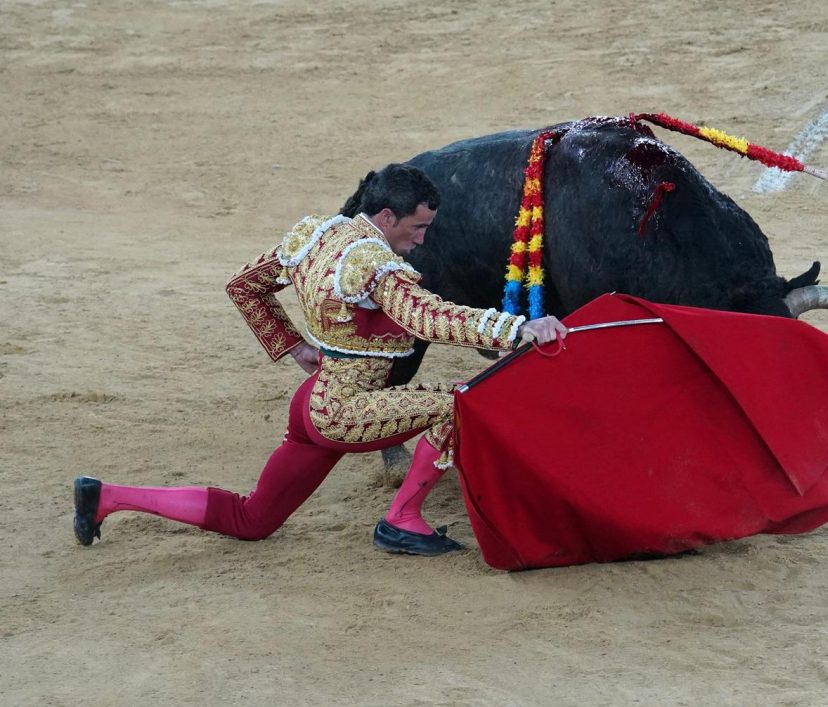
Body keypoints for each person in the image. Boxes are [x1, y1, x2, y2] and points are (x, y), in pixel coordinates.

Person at [73, 164, 567, 555]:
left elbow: (244, 286)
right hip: (345, 411)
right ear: (388, 217)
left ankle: (108, 496)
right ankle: (402, 519)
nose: (421, 239)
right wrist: (517, 328)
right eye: (418, 227)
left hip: (313, 401)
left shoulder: (317, 235)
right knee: (463, 402)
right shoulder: (373, 263)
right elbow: (425, 316)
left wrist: (295, 346)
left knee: (253, 519)